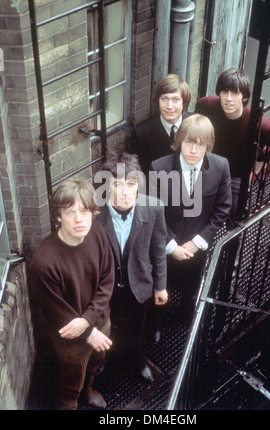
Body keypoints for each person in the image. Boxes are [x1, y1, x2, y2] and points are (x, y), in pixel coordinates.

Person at [31, 179, 115, 410]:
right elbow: (56, 310)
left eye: (84, 211)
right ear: (58, 216)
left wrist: (89, 321)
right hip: (69, 334)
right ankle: (68, 404)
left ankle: (87, 391)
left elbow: (107, 280)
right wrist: (87, 332)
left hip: (99, 319)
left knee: (97, 359)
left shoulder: (97, 232)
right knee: (71, 380)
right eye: (70, 212)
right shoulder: (44, 261)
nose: (79, 219)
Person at [150, 114, 232, 322]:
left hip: (197, 247)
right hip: (166, 245)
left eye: (200, 145)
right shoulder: (158, 167)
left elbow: (223, 208)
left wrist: (198, 242)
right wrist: (170, 245)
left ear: (208, 146)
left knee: (192, 286)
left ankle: (186, 316)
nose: (194, 151)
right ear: (180, 141)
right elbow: (152, 212)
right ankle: (157, 323)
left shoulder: (221, 166)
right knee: (162, 286)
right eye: (188, 142)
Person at [95, 152, 168, 383]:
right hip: (107, 287)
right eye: (118, 184)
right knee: (110, 326)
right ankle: (106, 358)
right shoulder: (96, 213)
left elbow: (158, 251)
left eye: (132, 183)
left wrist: (160, 286)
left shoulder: (154, 208)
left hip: (139, 284)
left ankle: (137, 359)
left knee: (137, 327)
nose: (126, 191)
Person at [194, 68, 270, 225]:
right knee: (198, 214)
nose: (229, 99)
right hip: (207, 169)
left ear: (244, 96)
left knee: (234, 220)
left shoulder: (256, 122)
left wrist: (261, 158)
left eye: (235, 93)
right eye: (225, 92)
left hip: (236, 176)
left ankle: (231, 246)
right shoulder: (206, 106)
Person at [129, 73, 192, 175]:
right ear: (158, 101)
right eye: (164, 99)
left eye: (175, 99)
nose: (169, 106)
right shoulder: (142, 133)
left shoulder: (194, 124)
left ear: (184, 103)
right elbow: (138, 173)